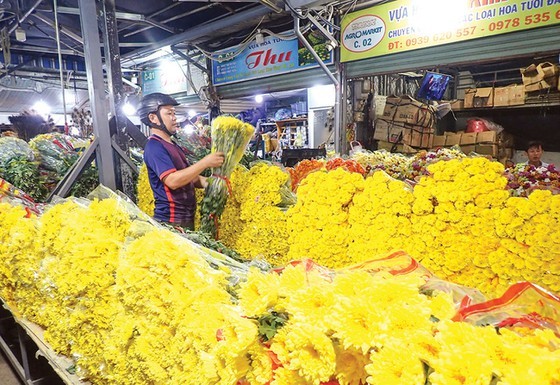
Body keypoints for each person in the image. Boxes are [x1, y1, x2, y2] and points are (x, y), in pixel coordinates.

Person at [139, 92, 224, 230]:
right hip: (171, 222)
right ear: (153, 118)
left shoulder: (173, 145)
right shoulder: (154, 146)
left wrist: (210, 183)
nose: (174, 118)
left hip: (186, 220)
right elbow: (172, 181)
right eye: (169, 114)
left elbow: (190, 177)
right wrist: (205, 162)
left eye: (174, 113)